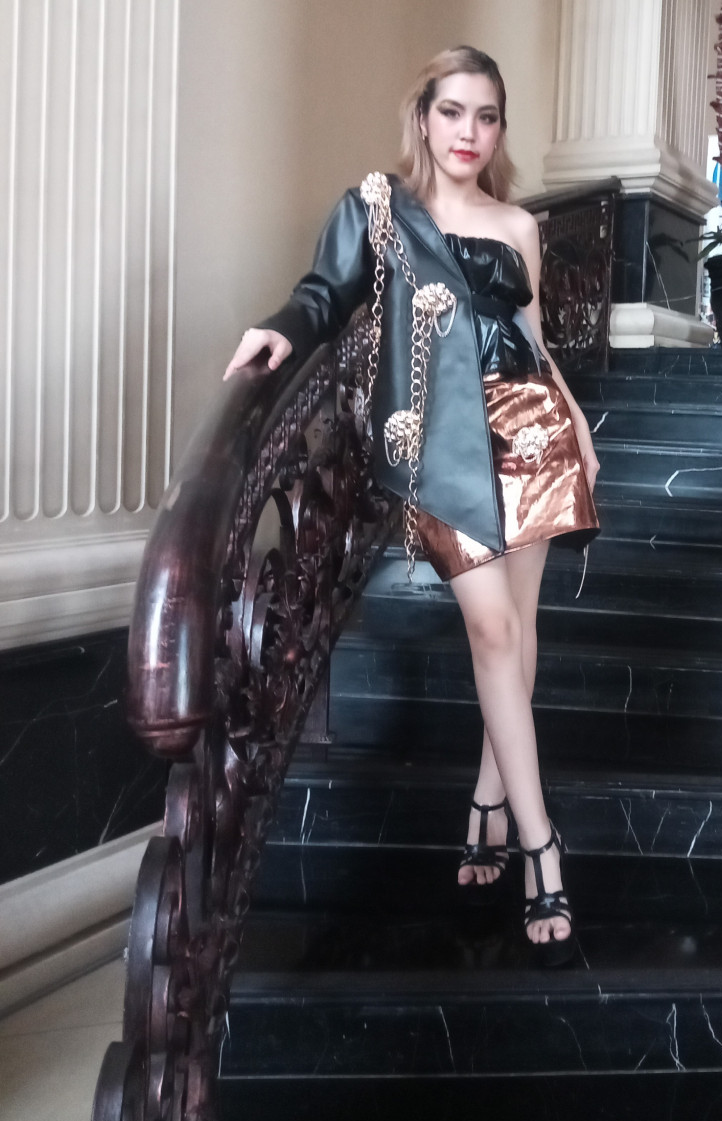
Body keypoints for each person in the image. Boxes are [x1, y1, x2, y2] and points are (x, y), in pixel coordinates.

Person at [223, 46, 600, 966]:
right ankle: (540, 847)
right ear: (423, 117)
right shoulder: (376, 209)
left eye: (487, 116)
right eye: (453, 112)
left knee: (519, 627)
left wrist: (578, 426)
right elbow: (325, 293)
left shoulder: (517, 224)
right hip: (440, 443)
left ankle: (487, 803)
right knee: (491, 630)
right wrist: (280, 328)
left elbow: (532, 337)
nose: (469, 132)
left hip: (531, 430)